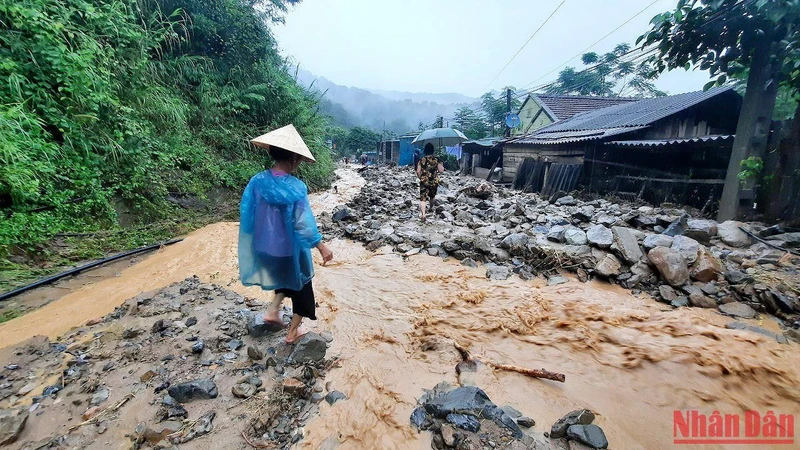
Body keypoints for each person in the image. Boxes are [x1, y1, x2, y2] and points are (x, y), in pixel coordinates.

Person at [239, 124, 334, 344]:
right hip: (289, 248)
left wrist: (256, 240)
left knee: (284, 276)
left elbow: (247, 211)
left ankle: (273, 310)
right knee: (303, 287)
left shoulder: (257, 181)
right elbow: (303, 223)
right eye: (299, 160)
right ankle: (292, 333)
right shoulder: (296, 187)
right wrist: (321, 245)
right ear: (293, 158)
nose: (299, 164)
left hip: (264, 247)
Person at [416, 143, 444, 222]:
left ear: (425, 151)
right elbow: (441, 170)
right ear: (433, 150)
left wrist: (420, 177)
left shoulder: (422, 160)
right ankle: (431, 208)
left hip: (424, 181)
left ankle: (423, 214)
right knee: (432, 196)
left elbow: (418, 171)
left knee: (423, 199)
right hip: (434, 182)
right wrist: (440, 163)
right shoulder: (436, 160)